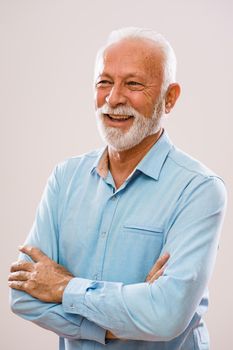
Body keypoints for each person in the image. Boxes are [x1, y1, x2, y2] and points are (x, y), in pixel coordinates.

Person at [9, 27, 227, 350]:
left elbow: (167, 315)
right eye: (104, 82)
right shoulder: (64, 178)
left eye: (133, 84)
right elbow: (23, 296)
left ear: (170, 98)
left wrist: (65, 287)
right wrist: (127, 318)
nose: (113, 99)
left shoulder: (199, 190)